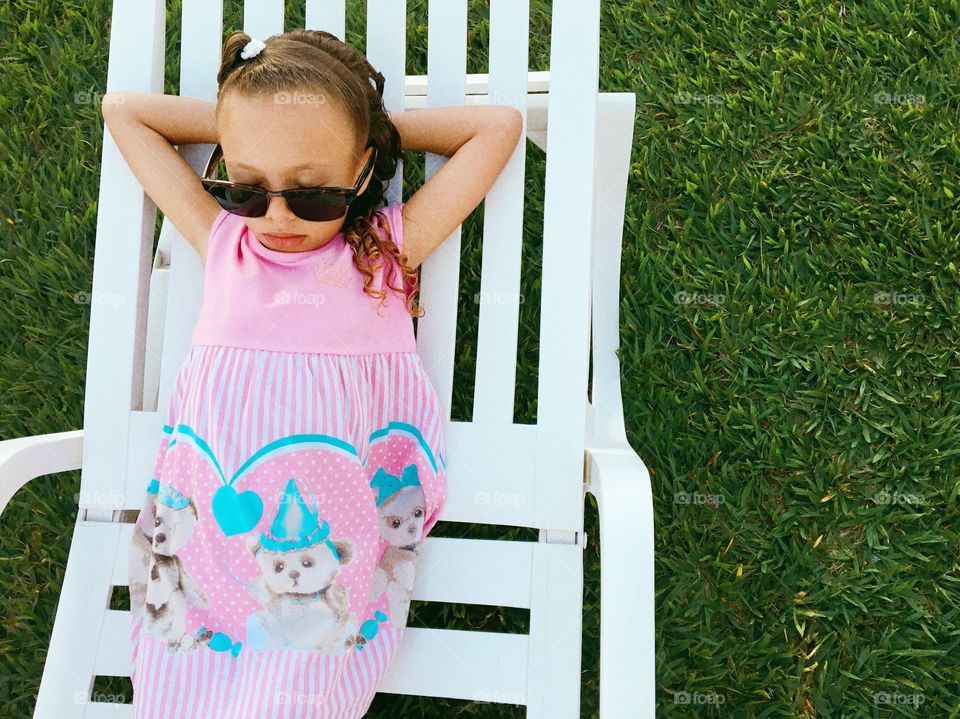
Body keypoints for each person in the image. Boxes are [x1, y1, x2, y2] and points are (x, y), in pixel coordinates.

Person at [102, 27, 522, 719]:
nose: (277, 214)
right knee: (183, 688)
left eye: (314, 193)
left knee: (296, 694)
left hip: (326, 549)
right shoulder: (223, 241)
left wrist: (352, 118)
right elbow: (123, 111)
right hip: (212, 536)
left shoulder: (384, 252)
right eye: (247, 187)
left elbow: (497, 127)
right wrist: (257, 114)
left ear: (361, 170)